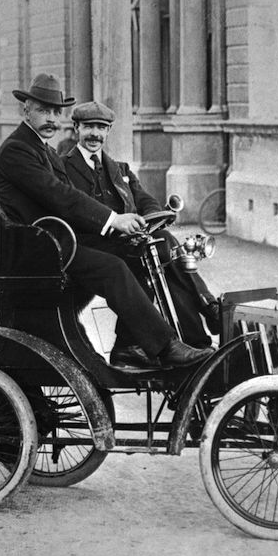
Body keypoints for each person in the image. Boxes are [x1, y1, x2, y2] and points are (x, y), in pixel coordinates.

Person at [0, 73, 212, 369]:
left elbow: (69, 197)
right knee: (113, 268)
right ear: (26, 110)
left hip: (57, 242)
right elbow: (60, 196)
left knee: (141, 253)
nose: (51, 118)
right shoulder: (18, 149)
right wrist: (112, 220)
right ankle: (165, 346)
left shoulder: (43, 149)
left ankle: (130, 346)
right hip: (42, 251)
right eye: (43, 110)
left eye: (56, 112)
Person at [62, 100, 220, 367]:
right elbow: (73, 208)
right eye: (89, 127)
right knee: (161, 250)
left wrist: (153, 217)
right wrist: (116, 223)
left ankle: (197, 342)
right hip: (90, 247)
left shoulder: (120, 169)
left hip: (125, 244)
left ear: (108, 131)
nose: (95, 135)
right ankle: (206, 310)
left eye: (101, 128)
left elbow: (145, 200)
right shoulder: (63, 168)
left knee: (165, 247)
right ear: (76, 128)